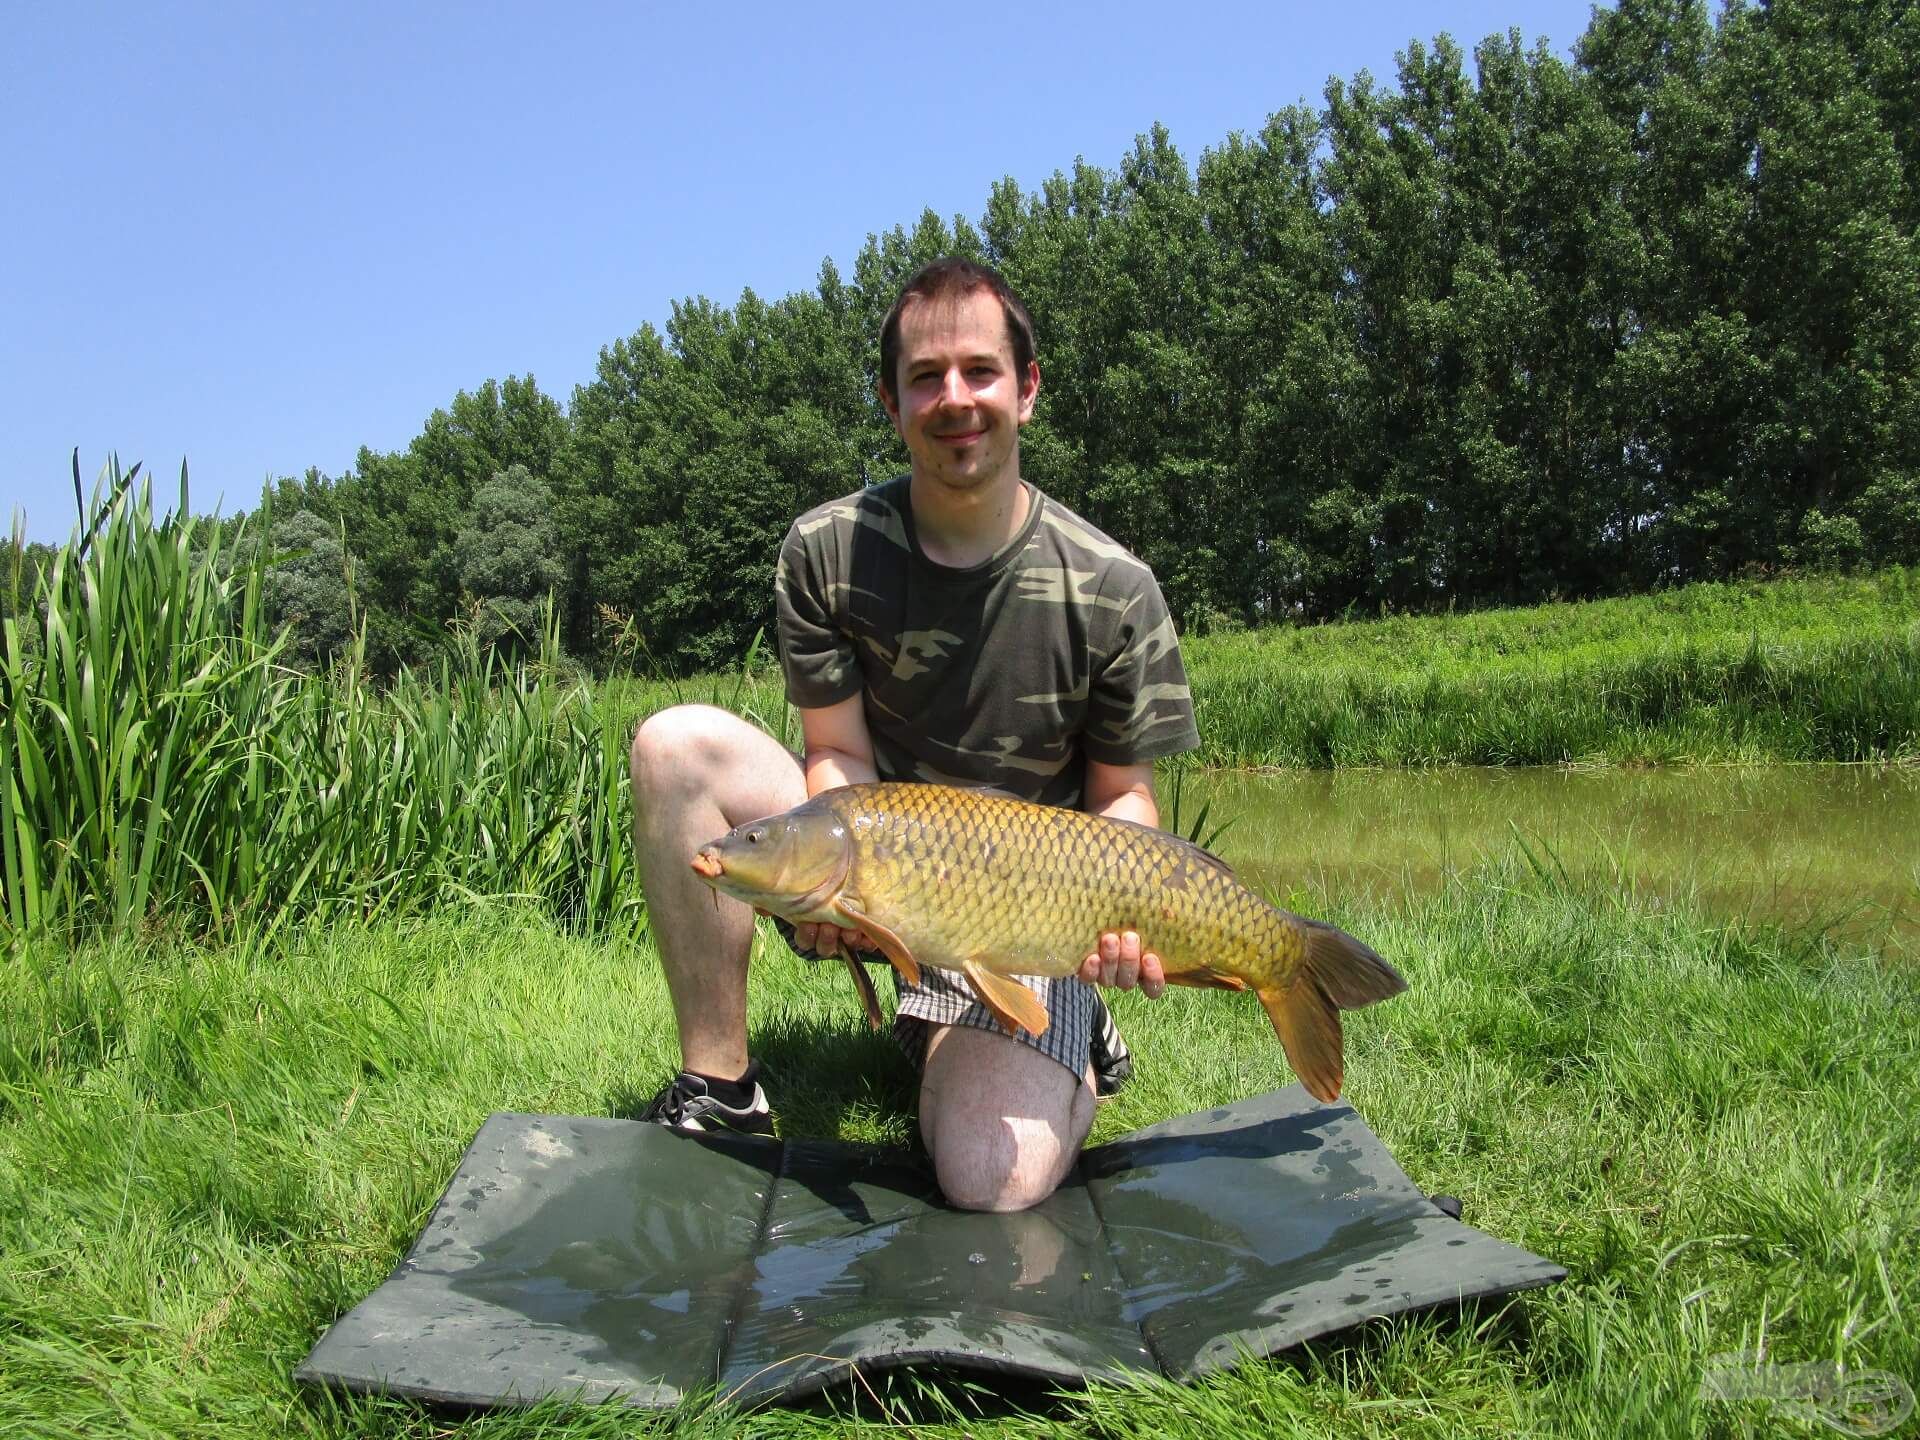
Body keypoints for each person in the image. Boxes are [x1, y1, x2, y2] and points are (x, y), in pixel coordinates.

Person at [630, 256, 1199, 1212]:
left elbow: (1121, 797)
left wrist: (1125, 923)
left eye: (980, 370)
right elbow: (839, 753)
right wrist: (829, 874)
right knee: (674, 745)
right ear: (892, 404)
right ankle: (722, 1090)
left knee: (990, 1178)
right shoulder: (828, 551)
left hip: (1030, 906)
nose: (955, 399)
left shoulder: (1114, 586)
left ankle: (1069, 1024)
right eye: (925, 378)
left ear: (1028, 388)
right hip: (887, 849)